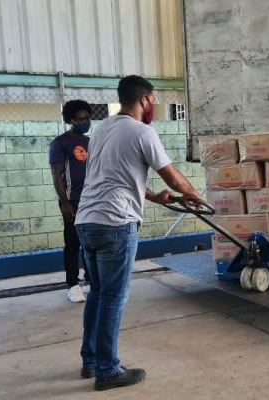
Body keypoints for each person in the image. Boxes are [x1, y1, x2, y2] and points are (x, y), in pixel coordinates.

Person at [75, 75, 203, 391]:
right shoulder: (142, 132)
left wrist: (154, 197)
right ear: (145, 99)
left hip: (87, 221)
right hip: (116, 223)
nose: (153, 106)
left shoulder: (102, 129)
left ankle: (91, 361)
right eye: (153, 100)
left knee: (97, 293)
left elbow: (113, 177)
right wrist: (195, 195)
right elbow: (172, 176)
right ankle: (108, 371)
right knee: (113, 298)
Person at [49, 100, 93, 303]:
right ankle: (73, 285)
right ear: (71, 120)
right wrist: (65, 203)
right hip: (72, 201)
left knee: (90, 243)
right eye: (81, 119)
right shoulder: (60, 143)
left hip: (91, 200)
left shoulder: (91, 142)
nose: (85, 122)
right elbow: (57, 175)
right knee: (73, 244)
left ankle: (91, 280)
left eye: (87, 118)